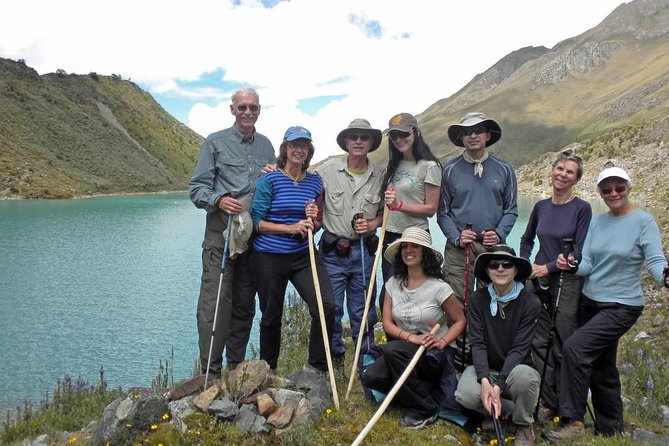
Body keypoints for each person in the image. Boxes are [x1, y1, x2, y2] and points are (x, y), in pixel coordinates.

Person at [544, 166, 669, 441]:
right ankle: (610, 429)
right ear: (600, 192)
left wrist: (665, 278)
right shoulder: (598, 222)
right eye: (607, 189)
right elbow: (588, 263)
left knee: (575, 348)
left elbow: (656, 262)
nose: (613, 193)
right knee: (603, 366)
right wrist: (572, 265)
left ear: (629, 188)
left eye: (619, 188)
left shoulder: (644, 222)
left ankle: (572, 421)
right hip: (590, 302)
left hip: (622, 306)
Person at [188, 88, 275, 375]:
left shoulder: (266, 146)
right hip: (220, 237)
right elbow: (197, 188)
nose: (248, 112)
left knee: (244, 305)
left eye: (253, 107)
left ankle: (235, 369)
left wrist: (272, 177)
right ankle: (210, 374)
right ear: (232, 110)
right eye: (242, 107)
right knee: (215, 304)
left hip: (252, 240)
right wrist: (218, 199)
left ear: (259, 111)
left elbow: (269, 190)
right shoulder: (215, 142)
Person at [249, 126, 335, 373]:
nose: (299, 150)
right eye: (294, 145)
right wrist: (289, 228)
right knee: (271, 315)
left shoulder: (315, 182)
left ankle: (316, 368)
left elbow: (317, 222)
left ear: (309, 151)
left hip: (303, 255)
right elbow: (256, 223)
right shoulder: (269, 179)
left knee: (325, 306)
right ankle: (268, 371)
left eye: (304, 146)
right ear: (285, 148)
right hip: (269, 256)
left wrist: (312, 222)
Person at [361, 227, 466, 429]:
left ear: (424, 253)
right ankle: (421, 390)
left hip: (432, 354)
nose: (409, 250)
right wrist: (410, 338)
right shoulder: (393, 284)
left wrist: (442, 341)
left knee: (391, 351)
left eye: (415, 246)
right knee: (371, 377)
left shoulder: (439, 288)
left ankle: (424, 409)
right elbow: (387, 324)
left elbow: (460, 320)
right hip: (405, 350)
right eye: (405, 247)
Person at [437, 112, 518, 369]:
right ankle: (457, 357)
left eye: (478, 130)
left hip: (493, 249)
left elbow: (511, 209)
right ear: (461, 138)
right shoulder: (449, 170)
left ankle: (486, 358)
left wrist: (500, 233)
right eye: (467, 131)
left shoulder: (504, 169)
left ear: (487, 136)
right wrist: (456, 235)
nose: (472, 135)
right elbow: (443, 212)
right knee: (457, 302)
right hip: (461, 247)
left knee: (492, 300)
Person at [519, 150, 592, 420]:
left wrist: (549, 267)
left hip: (567, 282)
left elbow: (580, 251)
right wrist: (525, 265)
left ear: (576, 179)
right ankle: (546, 403)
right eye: (559, 168)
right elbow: (527, 240)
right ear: (552, 171)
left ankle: (568, 404)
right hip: (537, 280)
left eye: (569, 172)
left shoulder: (581, 209)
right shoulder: (541, 207)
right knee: (538, 342)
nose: (562, 174)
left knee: (564, 342)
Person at [316, 118, 385, 370]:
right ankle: (335, 361)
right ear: (346, 142)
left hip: (364, 253)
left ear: (370, 143)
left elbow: (383, 213)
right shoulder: (325, 172)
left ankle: (365, 362)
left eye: (364, 137)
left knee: (364, 310)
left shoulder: (380, 175)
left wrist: (373, 223)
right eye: (353, 137)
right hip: (333, 252)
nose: (358, 141)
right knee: (332, 308)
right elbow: (301, 184)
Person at [455, 245, 541, 446]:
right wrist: (485, 381)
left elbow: (520, 349)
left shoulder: (530, 303)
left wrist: (498, 385)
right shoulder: (477, 300)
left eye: (507, 264)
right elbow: (477, 343)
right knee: (464, 394)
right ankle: (505, 411)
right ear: (487, 271)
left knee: (524, 378)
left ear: (516, 270)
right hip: (487, 369)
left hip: (515, 370)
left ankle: (523, 425)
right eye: (494, 265)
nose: (500, 269)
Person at [380, 112, 442, 318]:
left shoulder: (430, 166)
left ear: (416, 133)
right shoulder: (394, 165)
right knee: (390, 295)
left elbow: (431, 208)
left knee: (414, 294)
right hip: (390, 236)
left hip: (415, 237)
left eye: (404, 134)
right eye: (394, 136)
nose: (399, 140)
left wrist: (399, 205)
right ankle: (395, 346)